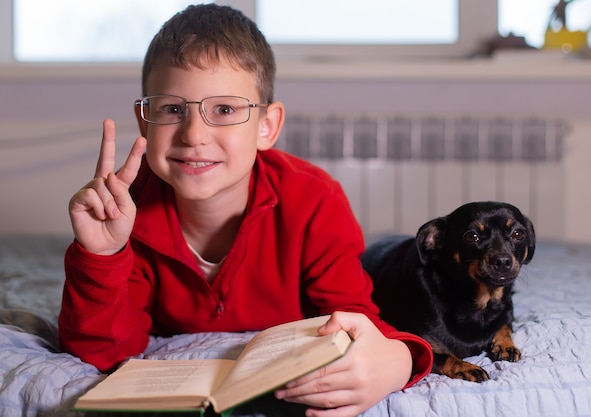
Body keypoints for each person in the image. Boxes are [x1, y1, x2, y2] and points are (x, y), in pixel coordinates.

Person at [58, 4, 433, 416]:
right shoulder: (127, 212)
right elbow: (104, 352)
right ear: (145, 122)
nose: (194, 134)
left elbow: (357, 320)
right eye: (172, 109)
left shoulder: (314, 201)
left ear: (267, 127)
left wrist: (399, 361)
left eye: (224, 109)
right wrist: (101, 255)